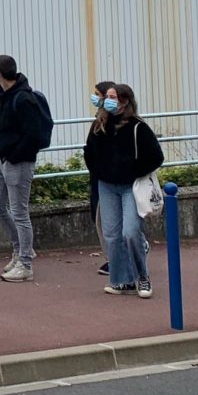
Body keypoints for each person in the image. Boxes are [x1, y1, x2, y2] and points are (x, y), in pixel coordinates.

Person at [83, 82, 164, 299]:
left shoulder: (138, 127)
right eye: (106, 96)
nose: (107, 101)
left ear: (124, 101)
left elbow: (157, 157)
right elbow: (89, 153)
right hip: (106, 186)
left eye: (112, 97)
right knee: (111, 234)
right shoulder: (98, 125)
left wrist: (132, 171)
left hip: (131, 186)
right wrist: (100, 171)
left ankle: (142, 277)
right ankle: (120, 279)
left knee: (130, 232)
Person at [0, 54, 47, 283]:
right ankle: (19, 249)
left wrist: (12, 156)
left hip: (16, 161)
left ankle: (25, 263)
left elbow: (32, 135)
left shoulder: (24, 98)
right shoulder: (3, 93)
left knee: (20, 211)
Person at [88, 79, 116, 277]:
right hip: (98, 175)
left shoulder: (113, 121)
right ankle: (113, 257)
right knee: (98, 216)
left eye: (98, 94)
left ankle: (116, 259)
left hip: (108, 176)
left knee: (108, 220)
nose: (95, 98)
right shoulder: (99, 120)